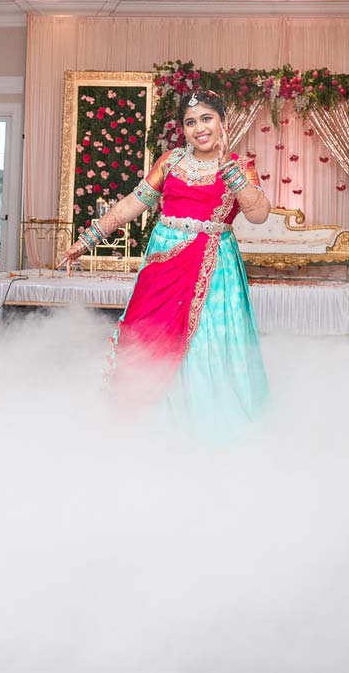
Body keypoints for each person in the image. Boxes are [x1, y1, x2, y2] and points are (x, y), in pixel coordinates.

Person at [61, 90, 272, 437]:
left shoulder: (239, 166)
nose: (199, 128)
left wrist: (231, 174)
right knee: (148, 339)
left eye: (207, 119)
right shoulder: (171, 161)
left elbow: (259, 214)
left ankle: (201, 427)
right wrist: (88, 239)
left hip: (213, 271)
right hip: (163, 268)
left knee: (204, 344)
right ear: (183, 129)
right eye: (190, 122)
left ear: (223, 122)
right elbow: (132, 203)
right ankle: (147, 428)